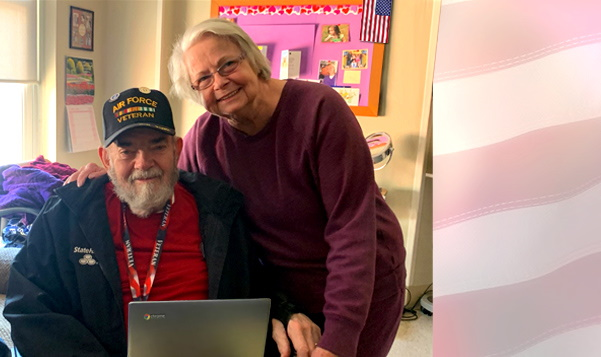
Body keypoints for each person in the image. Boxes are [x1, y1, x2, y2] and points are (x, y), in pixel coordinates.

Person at [68, 19, 406, 357]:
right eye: (203, 78)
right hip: (284, 289)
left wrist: (340, 337)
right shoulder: (204, 138)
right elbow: (170, 184)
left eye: (228, 64)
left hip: (360, 285)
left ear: (252, 60)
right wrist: (115, 173)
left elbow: (352, 230)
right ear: (195, 92)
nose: (220, 82)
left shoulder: (319, 110)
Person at [3, 87, 261, 356]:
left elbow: (256, 287)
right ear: (106, 159)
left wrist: (285, 316)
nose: (143, 163)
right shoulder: (67, 212)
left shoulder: (220, 208)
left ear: (177, 149)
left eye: (157, 146)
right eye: (126, 151)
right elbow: (28, 310)